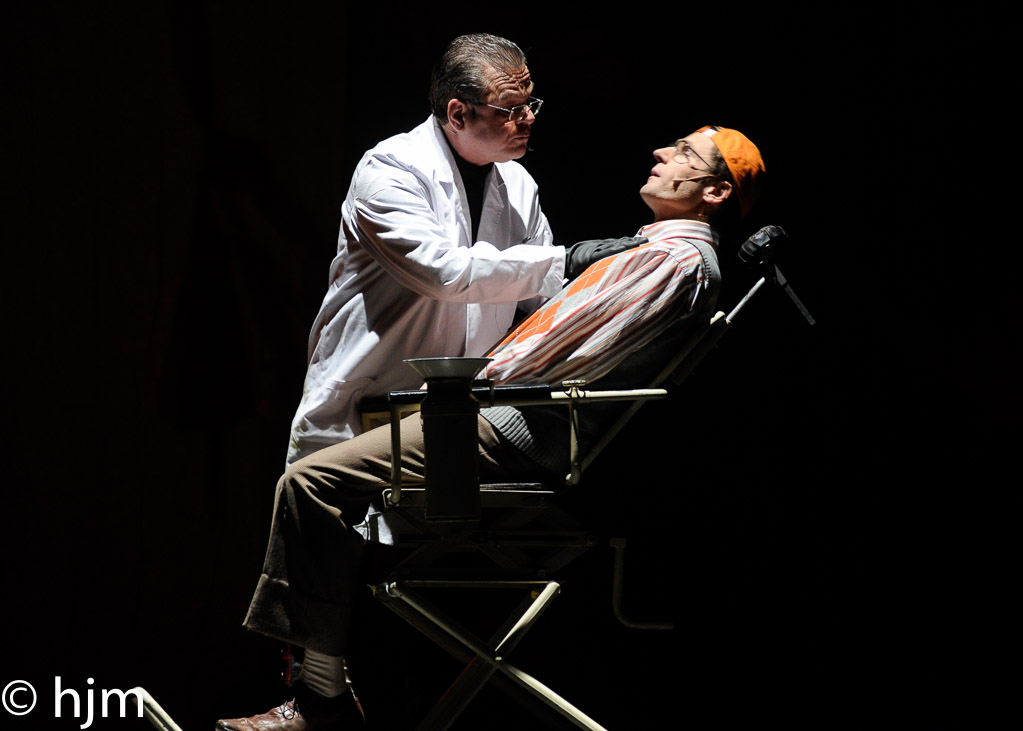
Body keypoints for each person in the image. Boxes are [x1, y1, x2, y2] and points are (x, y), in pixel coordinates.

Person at [216, 125, 765, 730]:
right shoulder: (657, 253)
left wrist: (455, 388)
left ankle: (321, 698)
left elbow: (556, 350)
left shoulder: (670, 260)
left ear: (715, 192)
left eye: (684, 153)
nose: (661, 152)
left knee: (309, 482)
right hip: (508, 421)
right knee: (324, 481)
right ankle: (317, 688)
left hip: (510, 427)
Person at [286, 32, 643, 469]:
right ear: (458, 113)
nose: (529, 118)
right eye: (511, 110)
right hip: (363, 400)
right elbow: (442, 273)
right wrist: (564, 260)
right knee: (333, 502)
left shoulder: (518, 184)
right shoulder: (391, 169)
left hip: (453, 413)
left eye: (530, 103)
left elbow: (541, 299)